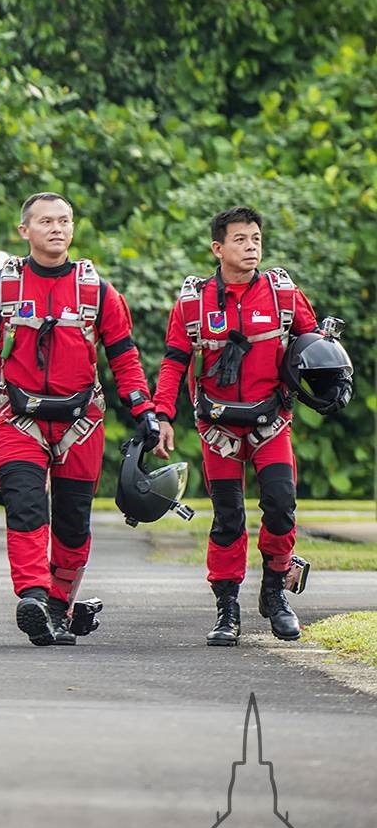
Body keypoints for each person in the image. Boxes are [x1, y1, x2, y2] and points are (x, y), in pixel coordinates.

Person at [0, 193, 163, 647]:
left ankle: (58, 605)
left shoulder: (99, 291)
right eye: (47, 221)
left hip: (80, 423)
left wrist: (143, 410)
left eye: (65, 220)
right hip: (17, 419)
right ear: (24, 231)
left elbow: (125, 357)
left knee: (74, 523)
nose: (57, 228)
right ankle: (32, 596)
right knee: (26, 505)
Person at [153, 205, 320, 645]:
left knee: (281, 506)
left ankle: (275, 594)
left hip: (272, 424)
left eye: (256, 239)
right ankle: (227, 609)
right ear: (218, 248)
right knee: (228, 519)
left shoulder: (284, 293)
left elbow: (315, 346)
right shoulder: (193, 302)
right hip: (218, 430)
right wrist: (162, 415)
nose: (251, 247)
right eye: (241, 240)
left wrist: (329, 383)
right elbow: (174, 362)